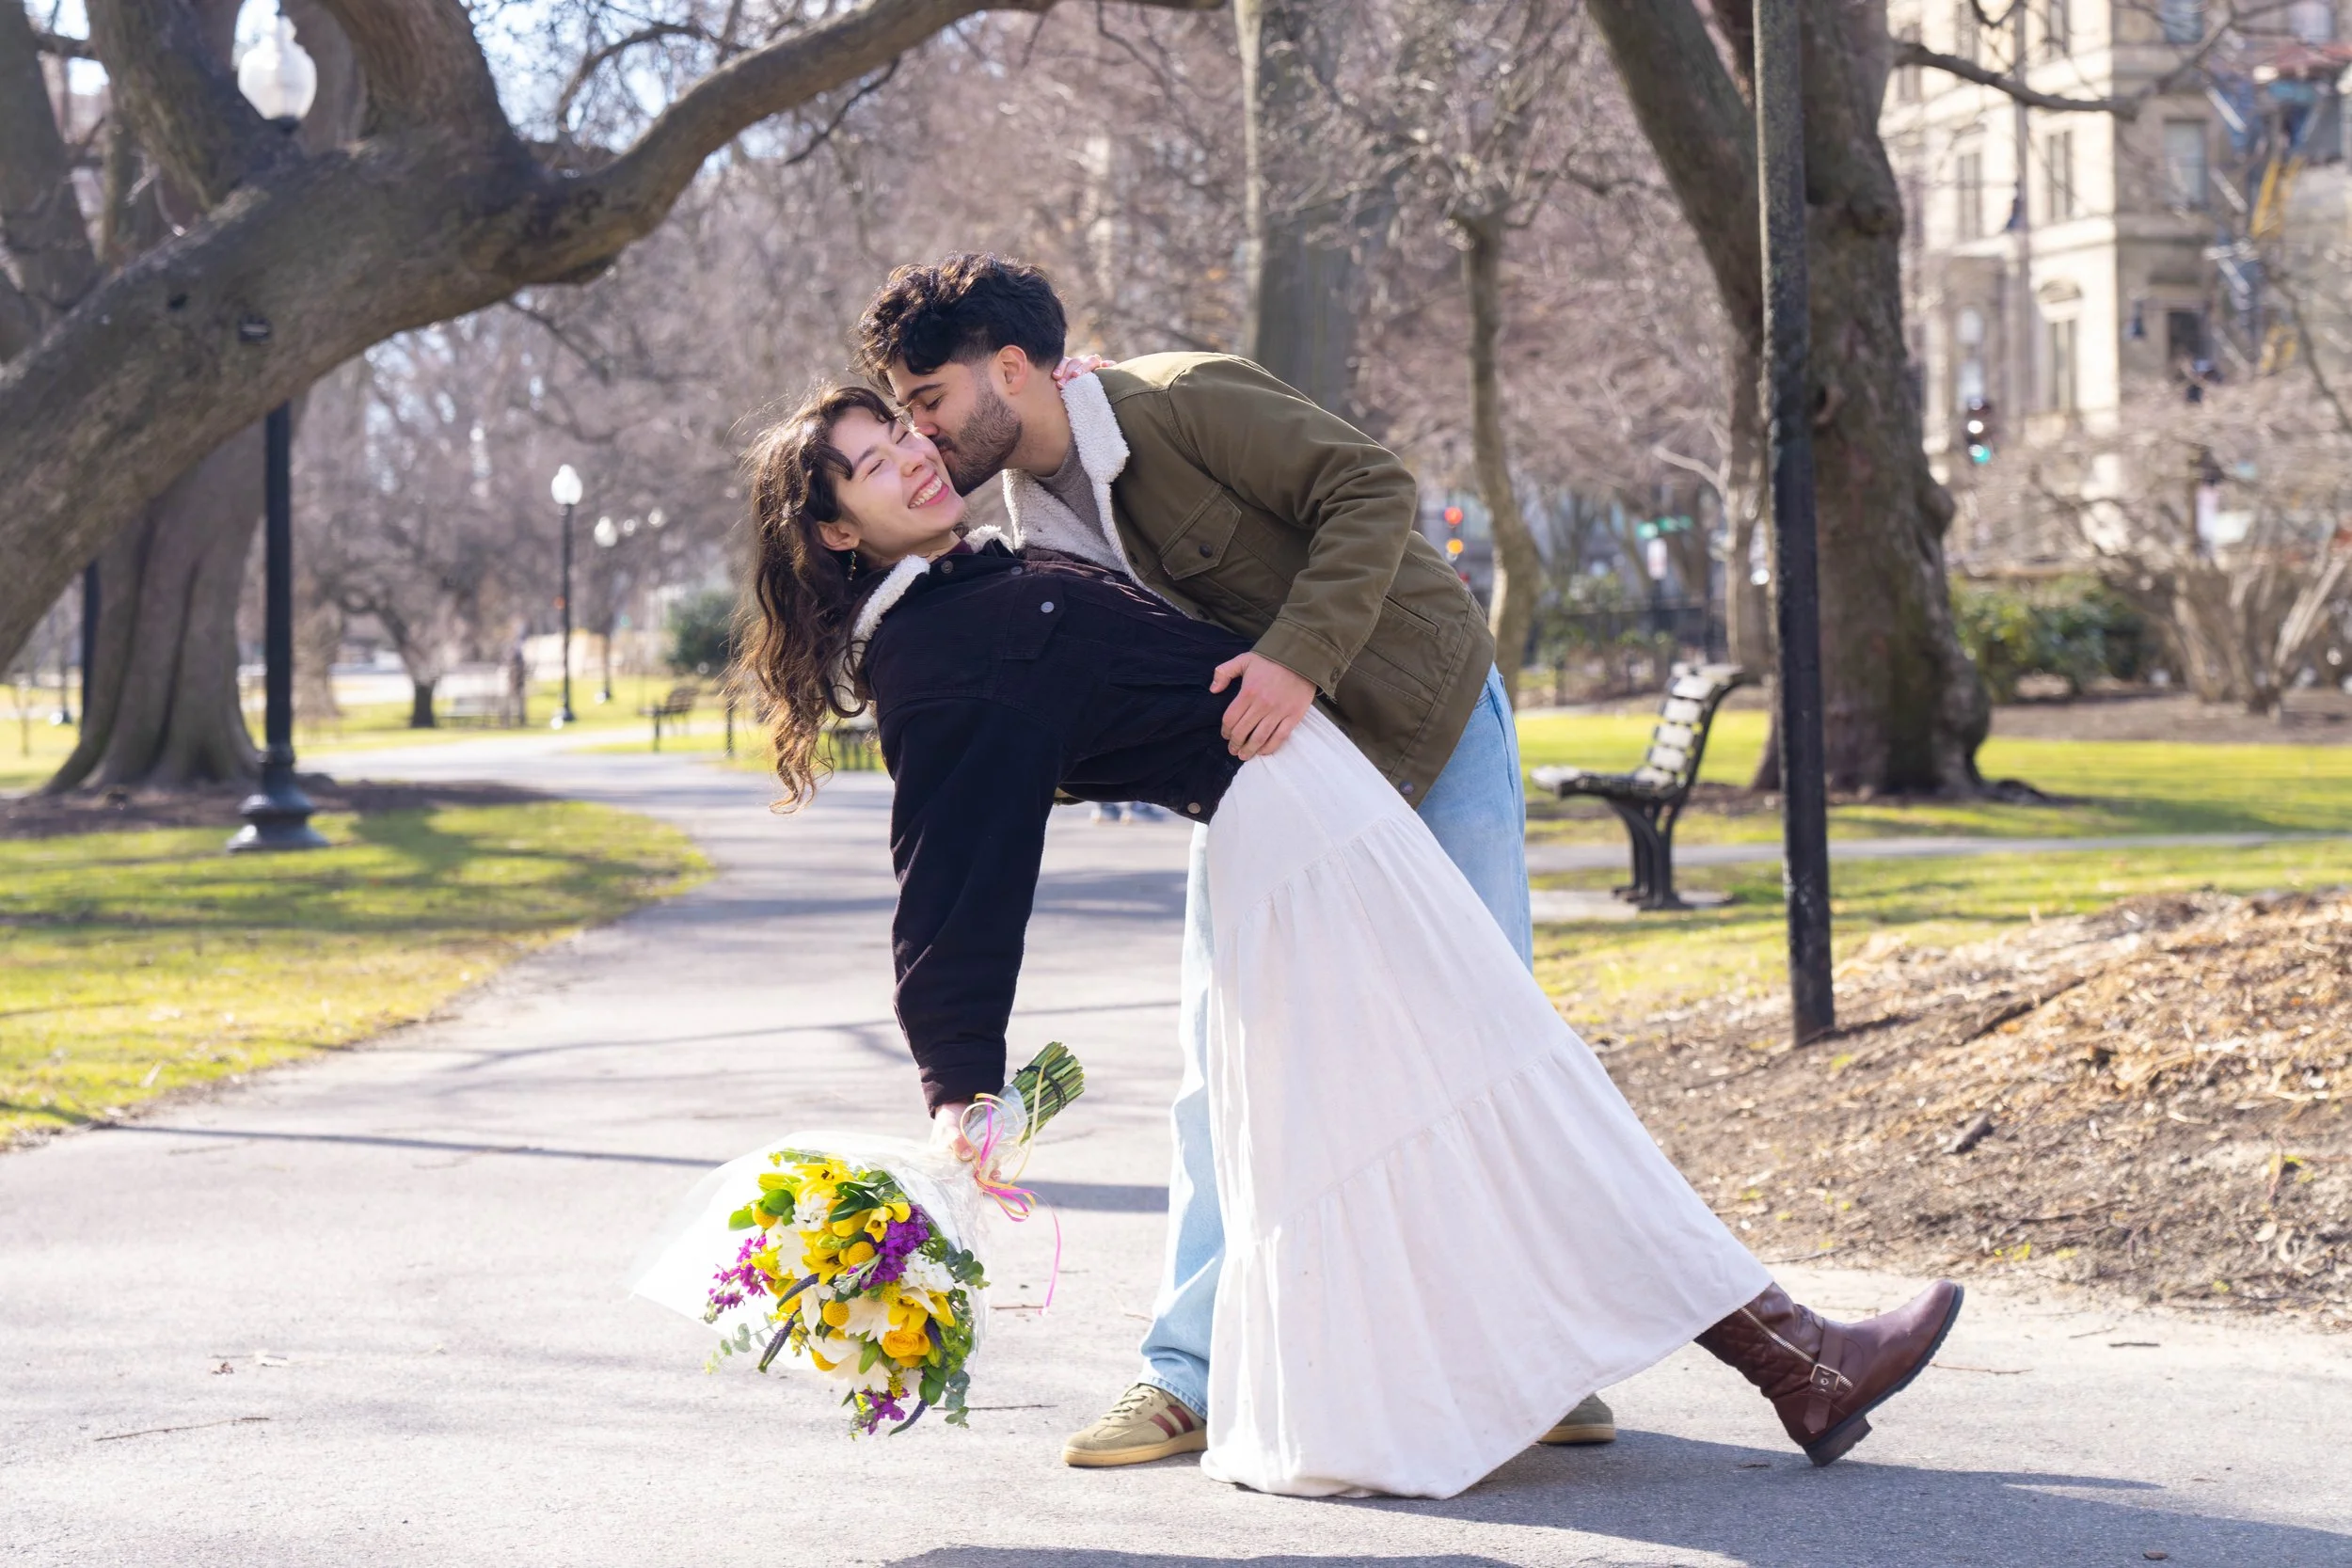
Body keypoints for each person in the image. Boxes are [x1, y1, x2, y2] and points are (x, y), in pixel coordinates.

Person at [734, 385, 1964, 1500]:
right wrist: (960, 1079)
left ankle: (1610, 1371)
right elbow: (954, 877)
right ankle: (1796, 1354)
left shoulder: (965, 586)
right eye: (867, 461)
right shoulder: (938, 657)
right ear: (837, 530)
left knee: (1468, 1100)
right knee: (1517, 1084)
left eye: (901, 429)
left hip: (1312, 819)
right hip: (1297, 833)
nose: (910, 455)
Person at [853, 254, 1575, 1465]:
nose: (918, 432)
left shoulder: (1179, 399)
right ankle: (1183, 1370)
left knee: (1487, 1042)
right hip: (1268, 794)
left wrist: (1295, 654)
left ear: (1012, 369)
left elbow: (1367, 484)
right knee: (1212, 1073)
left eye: (926, 398)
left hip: (1421, 723)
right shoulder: (1021, 535)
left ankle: (1546, 1358)